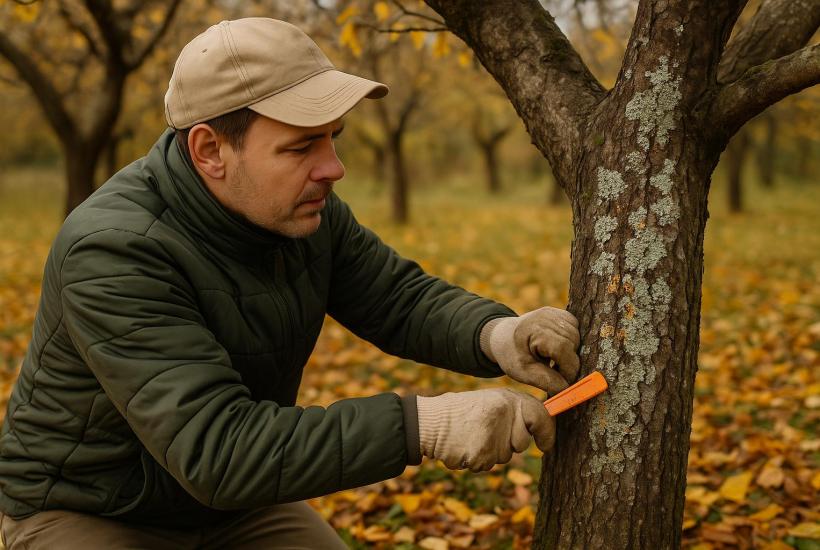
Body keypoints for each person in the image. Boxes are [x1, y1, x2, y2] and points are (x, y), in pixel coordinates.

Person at [0, 18, 580, 549]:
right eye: (301, 146)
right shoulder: (113, 251)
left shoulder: (301, 212)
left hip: (228, 505)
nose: (333, 168)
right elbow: (218, 450)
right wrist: (426, 425)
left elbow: (396, 299)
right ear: (209, 150)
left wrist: (497, 334)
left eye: (332, 138)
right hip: (90, 509)